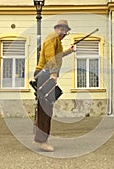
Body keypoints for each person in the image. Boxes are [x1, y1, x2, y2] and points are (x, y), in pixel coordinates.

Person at [33, 20, 75, 151]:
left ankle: (40, 138)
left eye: (65, 31)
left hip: (44, 74)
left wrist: (69, 51)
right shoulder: (52, 37)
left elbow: (58, 56)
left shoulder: (57, 42)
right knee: (46, 109)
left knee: (45, 108)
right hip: (44, 74)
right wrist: (53, 73)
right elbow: (50, 56)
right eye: (61, 29)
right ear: (56, 29)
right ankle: (42, 141)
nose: (63, 33)